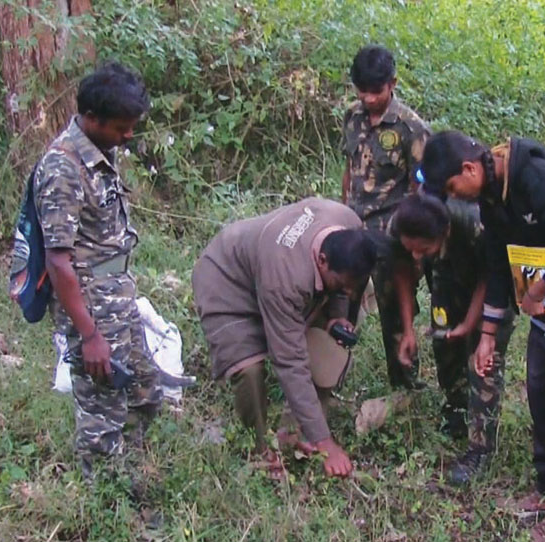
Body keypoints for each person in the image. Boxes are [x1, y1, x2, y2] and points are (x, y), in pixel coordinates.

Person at [420, 131, 545, 542]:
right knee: (541, 402)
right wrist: (488, 333)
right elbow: (498, 264)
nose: (456, 198)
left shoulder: (537, 179)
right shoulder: (492, 198)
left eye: (454, 188)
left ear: (470, 169)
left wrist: (538, 290)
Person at [35, 62, 162, 478]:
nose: (128, 136)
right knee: (103, 413)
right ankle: (108, 508)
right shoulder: (62, 169)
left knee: (143, 391)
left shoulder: (99, 150)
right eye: (122, 128)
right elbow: (58, 260)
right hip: (91, 304)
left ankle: (136, 478)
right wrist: (89, 335)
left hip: (117, 294)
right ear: (92, 118)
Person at [191, 198, 377, 478]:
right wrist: (326, 444)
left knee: (331, 345)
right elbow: (289, 361)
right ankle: (260, 451)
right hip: (227, 282)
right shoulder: (285, 277)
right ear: (322, 261)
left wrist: (340, 312)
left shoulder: (346, 221)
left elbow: (347, 285)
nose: (349, 293)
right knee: (250, 370)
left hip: (271, 273)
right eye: (341, 286)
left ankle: (297, 427)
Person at [390, 194, 516, 485]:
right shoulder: (402, 227)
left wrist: (472, 325)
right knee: (444, 342)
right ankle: (458, 410)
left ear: (444, 233)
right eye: (411, 250)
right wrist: (409, 329)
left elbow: (491, 276)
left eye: (423, 250)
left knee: (482, 361)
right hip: (449, 276)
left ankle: (480, 449)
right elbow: (402, 271)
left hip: (492, 289)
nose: (416, 256)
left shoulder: (475, 224)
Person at [341, 44, 431, 389]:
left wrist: (407, 241)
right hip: (353, 227)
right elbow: (349, 169)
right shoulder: (353, 116)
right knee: (341, 305)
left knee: (395, 313)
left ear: (392, 83)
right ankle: (329, 380)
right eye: (361, 91)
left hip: (390, 234)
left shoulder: (411, 128)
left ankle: (405, 385)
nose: (369, 98)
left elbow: (422, 189)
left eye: (375, 91)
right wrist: (341, 211)